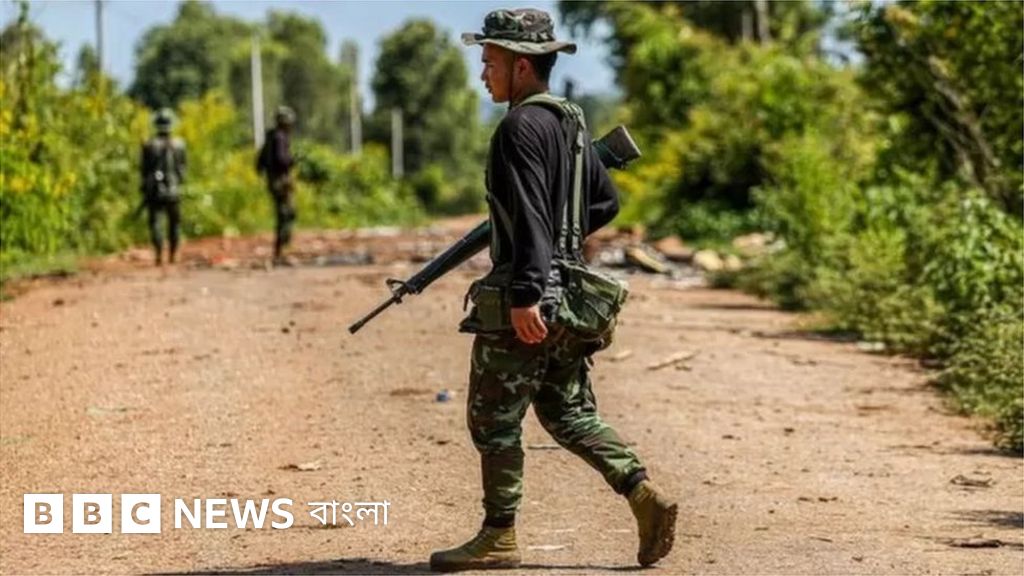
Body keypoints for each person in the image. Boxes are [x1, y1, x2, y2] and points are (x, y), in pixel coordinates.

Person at [429, 8, 677, 572]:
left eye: (490, 62)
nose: (482, 74)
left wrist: (527, 293)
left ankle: (498, 536)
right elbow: (604, 202)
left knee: (493, 418)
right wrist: (563, 246)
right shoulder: (570, 122)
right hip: (571, 296)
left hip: (532, 297)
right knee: (566, 411)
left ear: (521, 66)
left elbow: (532, 219)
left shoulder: (519, 128)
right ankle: (642, 492)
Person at [140, 108, 186, 266]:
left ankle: (159, 253)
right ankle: (173, 254)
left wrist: (145, 189)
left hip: (155, 192)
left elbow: (144, 171)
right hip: (174, 191)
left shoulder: (149, 145)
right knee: (175, 223)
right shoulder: (179, 145)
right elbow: (182, 170)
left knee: (155, 223)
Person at [257, 106, 297, 263]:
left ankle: (281, 249)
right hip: (280, 181)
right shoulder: (279, 137)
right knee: (286, 214)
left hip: (274, 181)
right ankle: (281, 251)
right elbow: (281, 160)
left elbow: (259, 162)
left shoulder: (271, 137)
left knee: (285, 214)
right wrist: (292, 160)